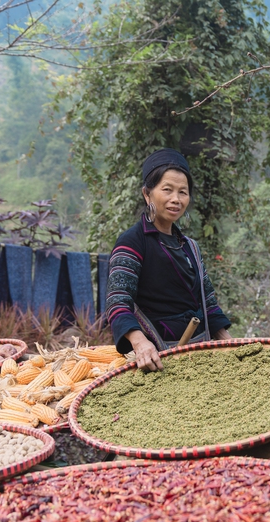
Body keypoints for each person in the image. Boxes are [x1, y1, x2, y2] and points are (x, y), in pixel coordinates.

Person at [106, 148, 232, 371]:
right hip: (157, 360)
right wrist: (140, 343)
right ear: (147, 194)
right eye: (167, 190)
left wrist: (232, 345)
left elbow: (208, 304)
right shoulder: (133, 242)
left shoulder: (190, 247)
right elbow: (118, 302)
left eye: (183, 192)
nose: (176, 199)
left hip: (200, 356)